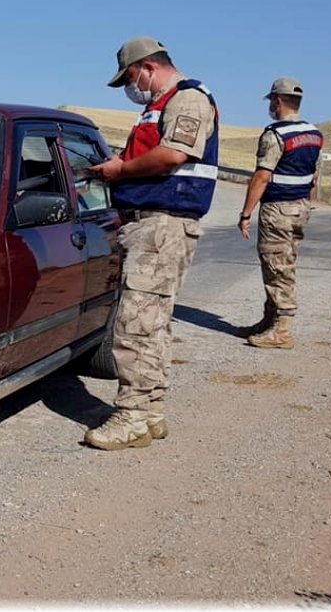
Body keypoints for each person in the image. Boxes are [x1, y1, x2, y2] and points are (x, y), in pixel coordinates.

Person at [82, 36, 220, 451]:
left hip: (162, 225)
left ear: (148, 67)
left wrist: (120, 170)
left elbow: (173, 155)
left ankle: (133, 416)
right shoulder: (157, 106)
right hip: (150, 224)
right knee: (152, 323)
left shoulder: (188, 99)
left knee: (137, 324)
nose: (130, 86)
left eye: (129, 77)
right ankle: (151, 411)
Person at [236, 78, 323, 349]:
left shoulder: (275, 135)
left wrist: (246, 213)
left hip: (277, 209)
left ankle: (282, 330)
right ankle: (270, 320)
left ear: (278, 101)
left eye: (271, 102)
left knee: (276, 266)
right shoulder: (314, 134)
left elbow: (262, 176)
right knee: (285, 261)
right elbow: (315, 175)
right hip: (300, 207)